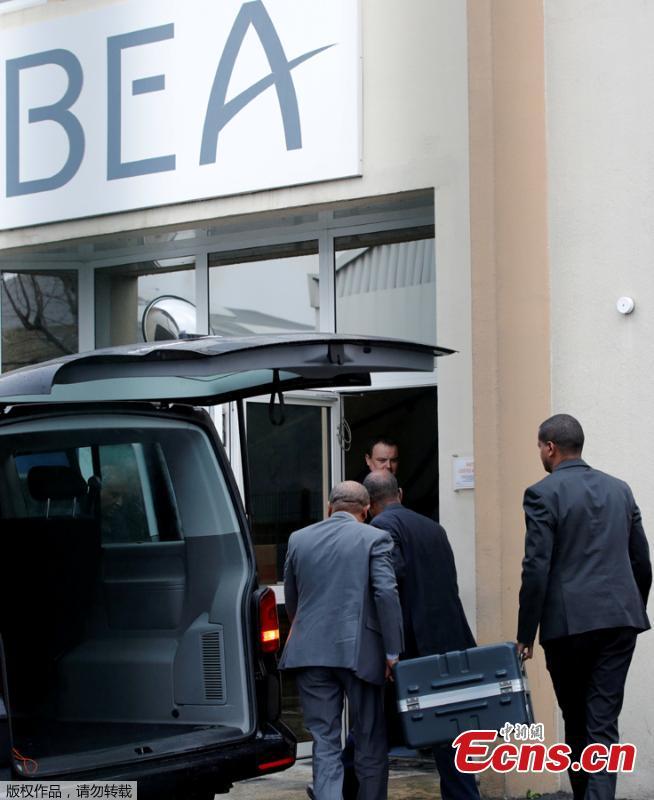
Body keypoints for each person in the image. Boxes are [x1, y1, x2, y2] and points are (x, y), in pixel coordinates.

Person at [517, 414, 651, 800]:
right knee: (603, 721)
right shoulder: (620, 489)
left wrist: (526, 633)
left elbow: (536, 567)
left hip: (568, 625)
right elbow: (641, 561)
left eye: (539, 447)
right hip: (619, 621)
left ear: (550, 447)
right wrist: (630, 607)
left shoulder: (542, 493)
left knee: (576, 717)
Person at [279, 480, 404, 800]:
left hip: (310, 652)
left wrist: (303, 629)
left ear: (329, 508)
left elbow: (292, 599)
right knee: (370, 740)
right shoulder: (375, 537)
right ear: (366, 511)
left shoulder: (299, 539)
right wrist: (392, 652)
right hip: (360, 653)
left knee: (324, 741)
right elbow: (386, 594)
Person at [363, 470, 480, 800]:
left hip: (414, 646)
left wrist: (391, 648)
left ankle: (342, 781)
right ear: (400, 493)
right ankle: (464, 795)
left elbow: (389, 586)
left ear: (370, 505)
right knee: (450, 729)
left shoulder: (380, 528)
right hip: (449, 639)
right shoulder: (434, 528)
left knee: (373, 722)